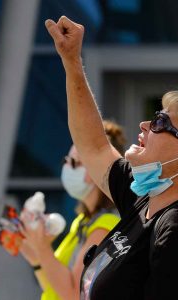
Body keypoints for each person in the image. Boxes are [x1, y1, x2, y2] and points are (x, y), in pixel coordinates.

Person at [45, 16, 178, 299]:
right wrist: (72, 63)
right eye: (156, 117)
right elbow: (94, 147)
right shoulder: (153, 199)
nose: (146, 126)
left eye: (162, 124)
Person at [19, 120, 126, 300]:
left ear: (97, 169)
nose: (67, 168)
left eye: (75, 163)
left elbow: (73, 295)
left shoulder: (107, 226)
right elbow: (54, 289)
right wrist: (36, 258)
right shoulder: (83, 221)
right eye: (66, 161)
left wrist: (43, 247)